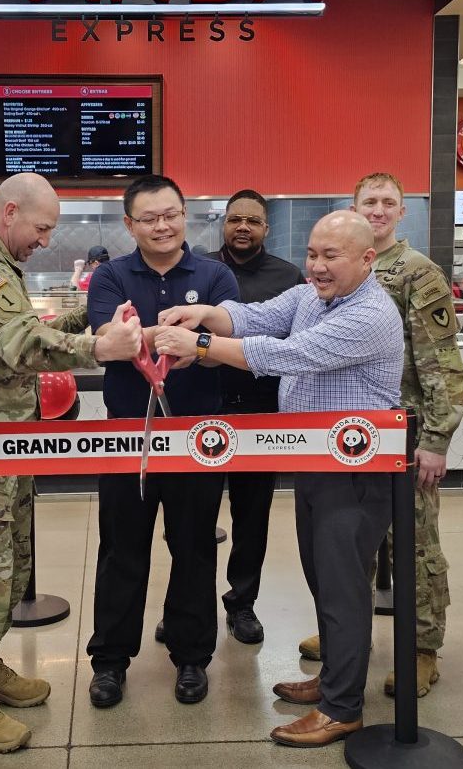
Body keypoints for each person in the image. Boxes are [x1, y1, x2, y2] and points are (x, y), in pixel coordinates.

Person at [153, 211, 403, 747]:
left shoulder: (370, 315)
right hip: (315, 463)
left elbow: (283, 354)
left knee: (343, 590)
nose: (315, 266)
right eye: (312, 253)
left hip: (354, 471)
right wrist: (203, 315)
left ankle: (343, 708)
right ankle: (334, 678)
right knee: (323, 581)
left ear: (367, 259)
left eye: (330, 256)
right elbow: (257, 317)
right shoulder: (312, 296)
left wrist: (195, 348)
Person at [0, 172, 143, 753]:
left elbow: (21, 333)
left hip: (6, 445)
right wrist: (99, 348)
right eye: (41, 227)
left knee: (9, 562)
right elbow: (19, 345)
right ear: (10, 212)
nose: (45, 241)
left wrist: (85, 319)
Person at [293, 173, 463, 700]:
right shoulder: (337, 264)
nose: (380, 209)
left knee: (414, 546)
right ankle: (346, 640)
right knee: (348, 549)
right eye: (370, 201)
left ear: (401, 212)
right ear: (355, 208)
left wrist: (435, 438)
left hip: (406, 434)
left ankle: (421, 648)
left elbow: (441, 361)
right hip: (354, 435)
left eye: (389, 202)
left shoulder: (419, 273)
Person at [84, 174, 240, 709]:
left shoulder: (216, 275)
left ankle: (192, 655)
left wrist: (163, 338)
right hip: (129, 435)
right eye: (149, 218)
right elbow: (108, 340)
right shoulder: (108, 276)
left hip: (199, 438)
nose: (162, 225)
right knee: (121, 548)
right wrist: (172, 338)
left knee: (194, 546)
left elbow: (229, 342)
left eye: (171, 214)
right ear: (130, 225)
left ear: (184, 215)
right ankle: (109, 660)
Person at [210, 189, 304, 643]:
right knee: (192, 517)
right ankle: (185, 603)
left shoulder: (289, 278)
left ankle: (242, 603)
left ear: (266, 229)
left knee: (252, 518)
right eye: (234, 219)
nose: (242, 227)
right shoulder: (202, 269)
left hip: (261, 417)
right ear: (223, 225)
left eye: (252, 220)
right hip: (200, 412)